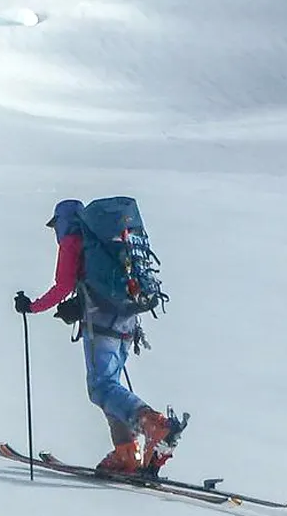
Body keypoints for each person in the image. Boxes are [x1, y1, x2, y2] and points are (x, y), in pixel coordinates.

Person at [15, 198, 184, 475]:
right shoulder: (105, 241)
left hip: (102, 321)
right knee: (110, 387)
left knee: (101, 387)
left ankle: (152, 425)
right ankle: (126, 452)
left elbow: (63, 285)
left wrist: (32, 307)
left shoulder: (72, 240)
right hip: (128, 317)